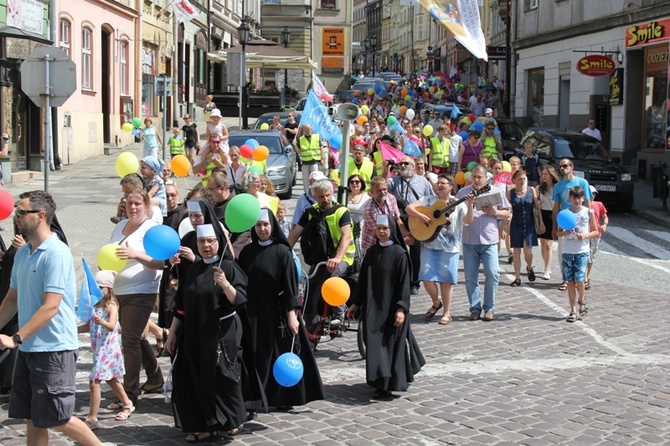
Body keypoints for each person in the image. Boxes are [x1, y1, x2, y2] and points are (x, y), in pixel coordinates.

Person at [0, 191, 106, 446]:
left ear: (40, 216)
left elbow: (51, 307)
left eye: (21, 212)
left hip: (54, 349)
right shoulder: (23, 253)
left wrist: (16, 338)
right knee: (32, 417)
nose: (16, 216)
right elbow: (12, 299)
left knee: (58, 417)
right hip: (29, 349)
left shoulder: (56, 253)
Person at [166, 223, 248, 441]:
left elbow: (239, 300)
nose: (206, 245)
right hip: (194, 332)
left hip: (220, 332)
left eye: (210, 241)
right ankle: (205, 425)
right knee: (194, 378)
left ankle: (232, 418)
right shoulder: (194, 268)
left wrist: (225, 285)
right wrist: (173, 332)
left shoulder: (228, 267)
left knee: (222, 378)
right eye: (202, 241)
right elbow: (181, 305)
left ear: (218, 242)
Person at [238, 209, 324, 412]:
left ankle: (283, 395)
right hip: (251, 313)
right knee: (254, 354)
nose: (262, 229)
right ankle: (254, 397)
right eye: (258, 225)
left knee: (278, 354)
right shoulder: (247, 252)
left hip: (276, 313)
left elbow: (289, 286)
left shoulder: (282, 252)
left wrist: (292, 314)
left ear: (273, 225)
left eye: (266, 225)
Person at [345, 214, 425, 400]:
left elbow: (404, 285)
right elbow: (363, 280)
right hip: (373, 308)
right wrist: (355, 304)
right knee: (373, 342)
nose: (382, 232)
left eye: (385, 228)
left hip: (392, 309)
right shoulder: (371, 253)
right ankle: (380, 380)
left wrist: (401, 308)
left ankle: (386, 385)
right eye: (379, 228)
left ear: (391, 230)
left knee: (389, 346)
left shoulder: (400, 254)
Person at [109, 188, 165, 406]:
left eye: (137, 204)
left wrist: (136, 255)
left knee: (129, 341)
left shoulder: (152, 230)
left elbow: (161, 262)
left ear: (147, 207)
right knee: (137, 338)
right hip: (119, 289)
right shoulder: (119, 226)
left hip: (142, 290)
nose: (132, 207)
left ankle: (128, 394)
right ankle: (155, 378)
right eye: (129, 203)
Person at [406, 174, 474, 325]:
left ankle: (447, 313)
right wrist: (421, 216)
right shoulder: (428, 200)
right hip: (429, 244)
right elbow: (409, 208)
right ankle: (436, 302)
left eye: (444, 183)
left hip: (450, 248)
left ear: (451, 186)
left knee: (446, 281)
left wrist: (470, 204)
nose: (440, 185)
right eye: (438, 183)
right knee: (426, 278)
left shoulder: (457, 203)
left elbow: (468, 221)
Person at [287, 179, 355, 324]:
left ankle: (339, 310)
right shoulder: (310, 212)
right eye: (321, 197)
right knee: (310, 288)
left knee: (330, 279)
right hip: (320, 259)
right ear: (315, 197)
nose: (325, 199)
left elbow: (346, 236)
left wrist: (337, 257)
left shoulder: (341, 212)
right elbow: (294, 234)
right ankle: (310, 324)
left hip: (342, 258)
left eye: (328, 195)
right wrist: (283, 252)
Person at [78, 270, 135, 430]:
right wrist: (73, 329)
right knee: (111, 379)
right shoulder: (95, 306)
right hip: (99, 349)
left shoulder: (112, 305)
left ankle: (92, 418)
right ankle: (127, 403)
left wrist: (103, 321)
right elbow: (89, 326)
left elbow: (112, 326)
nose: (96, 290)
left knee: (94, 381)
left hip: (109, 349)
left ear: (108, 288)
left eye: (100, 287)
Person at [456, 165, 510, 321]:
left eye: (480, 177)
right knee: (470, 277)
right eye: (474, 177)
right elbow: (456, 212)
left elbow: (507, 212)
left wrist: (494, 212)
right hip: (469, 240)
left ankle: (489, 308)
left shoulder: (496, 191)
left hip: (489, 239)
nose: (477, 180)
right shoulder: (463, 193)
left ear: (487, 177)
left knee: (492, 273)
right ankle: (474, 308)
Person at [387, 156, 435, 294]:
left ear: (413, 167)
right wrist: (386, 169)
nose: (403, 166)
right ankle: (398, 281)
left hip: (416, 220)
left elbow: (430, 199)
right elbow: (383, 185)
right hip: (399, 219)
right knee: (398, 250)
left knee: (416, 252)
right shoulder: (394, 180)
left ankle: (414, 282)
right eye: (401, 163)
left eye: (406, 163)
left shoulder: (423, 182)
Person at [556, 186, 599, 322]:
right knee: (570, 281)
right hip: (568, 250)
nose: (577, 200)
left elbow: (596, 231)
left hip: (582, 251)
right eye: (574, 197)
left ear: (583, 199)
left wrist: (585, 235)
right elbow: (558, 232)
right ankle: (572, 310)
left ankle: (581, 299)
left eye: (579, 197)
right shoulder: (564, 213)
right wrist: (565, 233)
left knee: (580, 280)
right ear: (570, 199)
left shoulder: (588, 212)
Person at [552, 157, 592, 291]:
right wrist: (554, 226)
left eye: (565, 166)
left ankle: (582, 279)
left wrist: (591, 225)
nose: (562, 169)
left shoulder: (582, 182)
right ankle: (565, 279)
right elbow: (556, 206)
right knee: (563, 251)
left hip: (581, 220)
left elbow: (589, 203)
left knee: (584, 251)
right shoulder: (558, 186)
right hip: (564, 221)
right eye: (560, 167)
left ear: (572, 167)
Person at [507, 169, 544, 287]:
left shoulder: (531, 190)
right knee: (516, 251)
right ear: (514, 181)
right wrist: (505, 224)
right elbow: (507, 209)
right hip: (516, 224)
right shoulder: (510, 193)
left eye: (524, 178)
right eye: (520, 179)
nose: (522, 181)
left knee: (528, 251)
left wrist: (541, 222)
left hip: (529, 224)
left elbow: (537, 208)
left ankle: (529, 266)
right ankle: (517, 278)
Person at [537, 166, 560, 280]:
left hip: (553, 215)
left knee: (549, 244)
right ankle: (546, 265)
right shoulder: (539, 188)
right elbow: (537, 205)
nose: (544, 176)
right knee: (542, 244)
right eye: (542, 174)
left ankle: (547, 268)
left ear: (551, 175)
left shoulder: (557, 187)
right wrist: (540, 221)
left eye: (546, 174)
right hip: (542, 215)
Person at [585, 185, 608, 290]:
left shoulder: (599, 204)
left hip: (596, 233)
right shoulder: (582, 205)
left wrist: (605, 224)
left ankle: (586, 276)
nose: (592, 196)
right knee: (585, 256)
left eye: (594, 194)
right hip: (585, 234)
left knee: (591, 256)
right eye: (590, 194)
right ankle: (584, 278)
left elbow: (605, 216)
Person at [346, 174, 371, 258]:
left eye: (357, 181)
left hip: (361, 227)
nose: (354, 184)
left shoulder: (367, 198)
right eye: (352, 182)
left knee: (359, 246)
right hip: (347, 225)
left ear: (362, 184)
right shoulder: (343, 196)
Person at [298, 124, 324, 188]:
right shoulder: (301, 139)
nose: (307, 131)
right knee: (305, 179)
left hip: (314, 160)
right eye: (305, 130)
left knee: (315, 178)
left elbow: (321, 148)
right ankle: (307, 193)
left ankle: (314, 192)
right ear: (304, 130)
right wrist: (295, 145)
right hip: (305, 162)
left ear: (311, 130)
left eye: (308, 130)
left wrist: (322, 158)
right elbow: (299, 151)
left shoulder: (317, 137)